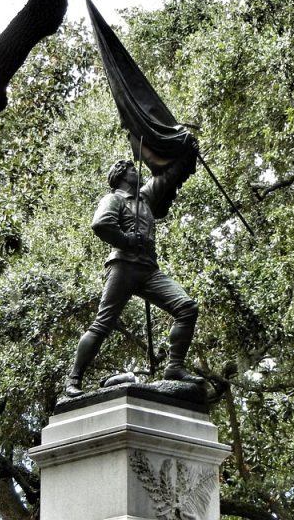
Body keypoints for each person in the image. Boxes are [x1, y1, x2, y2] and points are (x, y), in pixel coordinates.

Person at [65, 140, 203, 397]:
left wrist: (186, 154)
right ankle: (73, 380)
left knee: (186, 308)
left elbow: (168, 175)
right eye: (133, 170)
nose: (137, 173)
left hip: (149, 270)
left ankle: (174, 367)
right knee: (103, 323)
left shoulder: (146, 198)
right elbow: (101, 224)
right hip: (123, 267)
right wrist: (127, 239)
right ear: (122, 176)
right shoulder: (114, 199)